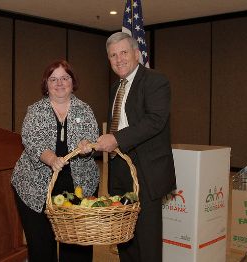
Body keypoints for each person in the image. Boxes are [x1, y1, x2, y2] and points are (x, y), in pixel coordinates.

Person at [94, 32, 177, 262]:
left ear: (136, 54)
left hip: (146, 171)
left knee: (147, 238)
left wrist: (116, 139)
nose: (119, 59)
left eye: (123, 52)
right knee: (125, 236)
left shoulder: (155, 80)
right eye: (113, 55)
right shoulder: (114, 88)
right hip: (119, 169)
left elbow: (155, 120)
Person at [11, 59, 99, 262]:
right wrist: (51, 159)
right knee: (41, 248)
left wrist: (86, 145)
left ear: (72, 81)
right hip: (35, 188)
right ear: (46, 84)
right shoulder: (35, 111)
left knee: (77, 248)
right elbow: (32, 141)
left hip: (79, 188)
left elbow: (91, 138)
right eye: (54, 79)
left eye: (65, 78)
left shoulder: (85, 110)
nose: (59, 83)